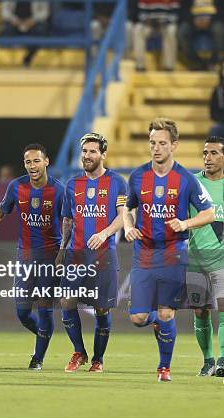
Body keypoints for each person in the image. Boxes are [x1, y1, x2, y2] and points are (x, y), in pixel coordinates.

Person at [124, 118, 215, 382]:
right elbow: (128, 208)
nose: (156, 148)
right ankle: (153, 318)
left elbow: (208, 213)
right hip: (143, 253)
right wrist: (128, 226)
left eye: (162, 143)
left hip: (174, 252)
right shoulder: (138, 176)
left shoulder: (186, 178)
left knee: (167, 312)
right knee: (139, 318)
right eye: (152, 143)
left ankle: (164, 367)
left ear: (174, 145)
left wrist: (185, 222)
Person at [0, 143, 64, 370]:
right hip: (25, 256)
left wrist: (65, 252)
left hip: (50, 257)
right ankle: (45, 334)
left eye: (36, 161)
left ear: (46, 162)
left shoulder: (59, 190)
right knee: (22, 312)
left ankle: (37, 358)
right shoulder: (16, 186)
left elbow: (71, 223)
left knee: (44, 307)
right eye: (28, 162)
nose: (32, 166)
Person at [56, 133, 128, 373]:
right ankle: (79, 352)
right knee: (66, 301)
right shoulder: (72, 185)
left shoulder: (117, 182)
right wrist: (61, 249)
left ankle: (98, 359)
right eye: (84, 151)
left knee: (101, 308)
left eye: (92, 151)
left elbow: (124, 216)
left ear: (103, 154)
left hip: (104, 254)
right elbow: (67, 219)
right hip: (75, 254)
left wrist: (104, 233)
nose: (87, 156)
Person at [185, 136, 223, 376]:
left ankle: (223, 362)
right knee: (200, 311)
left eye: (214, 153)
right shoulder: (192, 184)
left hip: (222, 258)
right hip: (195, 259)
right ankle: (208, 360)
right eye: (205, 153)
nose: (208, 158)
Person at [132, 0, 181, 71]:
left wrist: (167, 21)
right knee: (138, 29)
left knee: (171, 30)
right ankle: (140, 65)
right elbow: (141, 12)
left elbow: (175, 13)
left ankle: (169, 66)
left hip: (165, 24)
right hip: (149, 24)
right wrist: (147, 21)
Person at [0, 1, 50, 68]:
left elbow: (45, 12)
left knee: (40, 31)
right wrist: (14, 20)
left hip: (33, 23)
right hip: (14, 23)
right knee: (6, 30)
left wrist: (33, 20)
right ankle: (8, 61)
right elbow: (4, 11)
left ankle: (28, 58)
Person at [178, 0, 224, 70]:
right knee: (182, 32)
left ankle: (214, 62)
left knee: (219, 30)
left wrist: (211, 19)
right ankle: (195, 63)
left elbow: (222, 9)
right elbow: (183, 10)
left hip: (214, 19)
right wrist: (193, 20)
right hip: (193, 20)